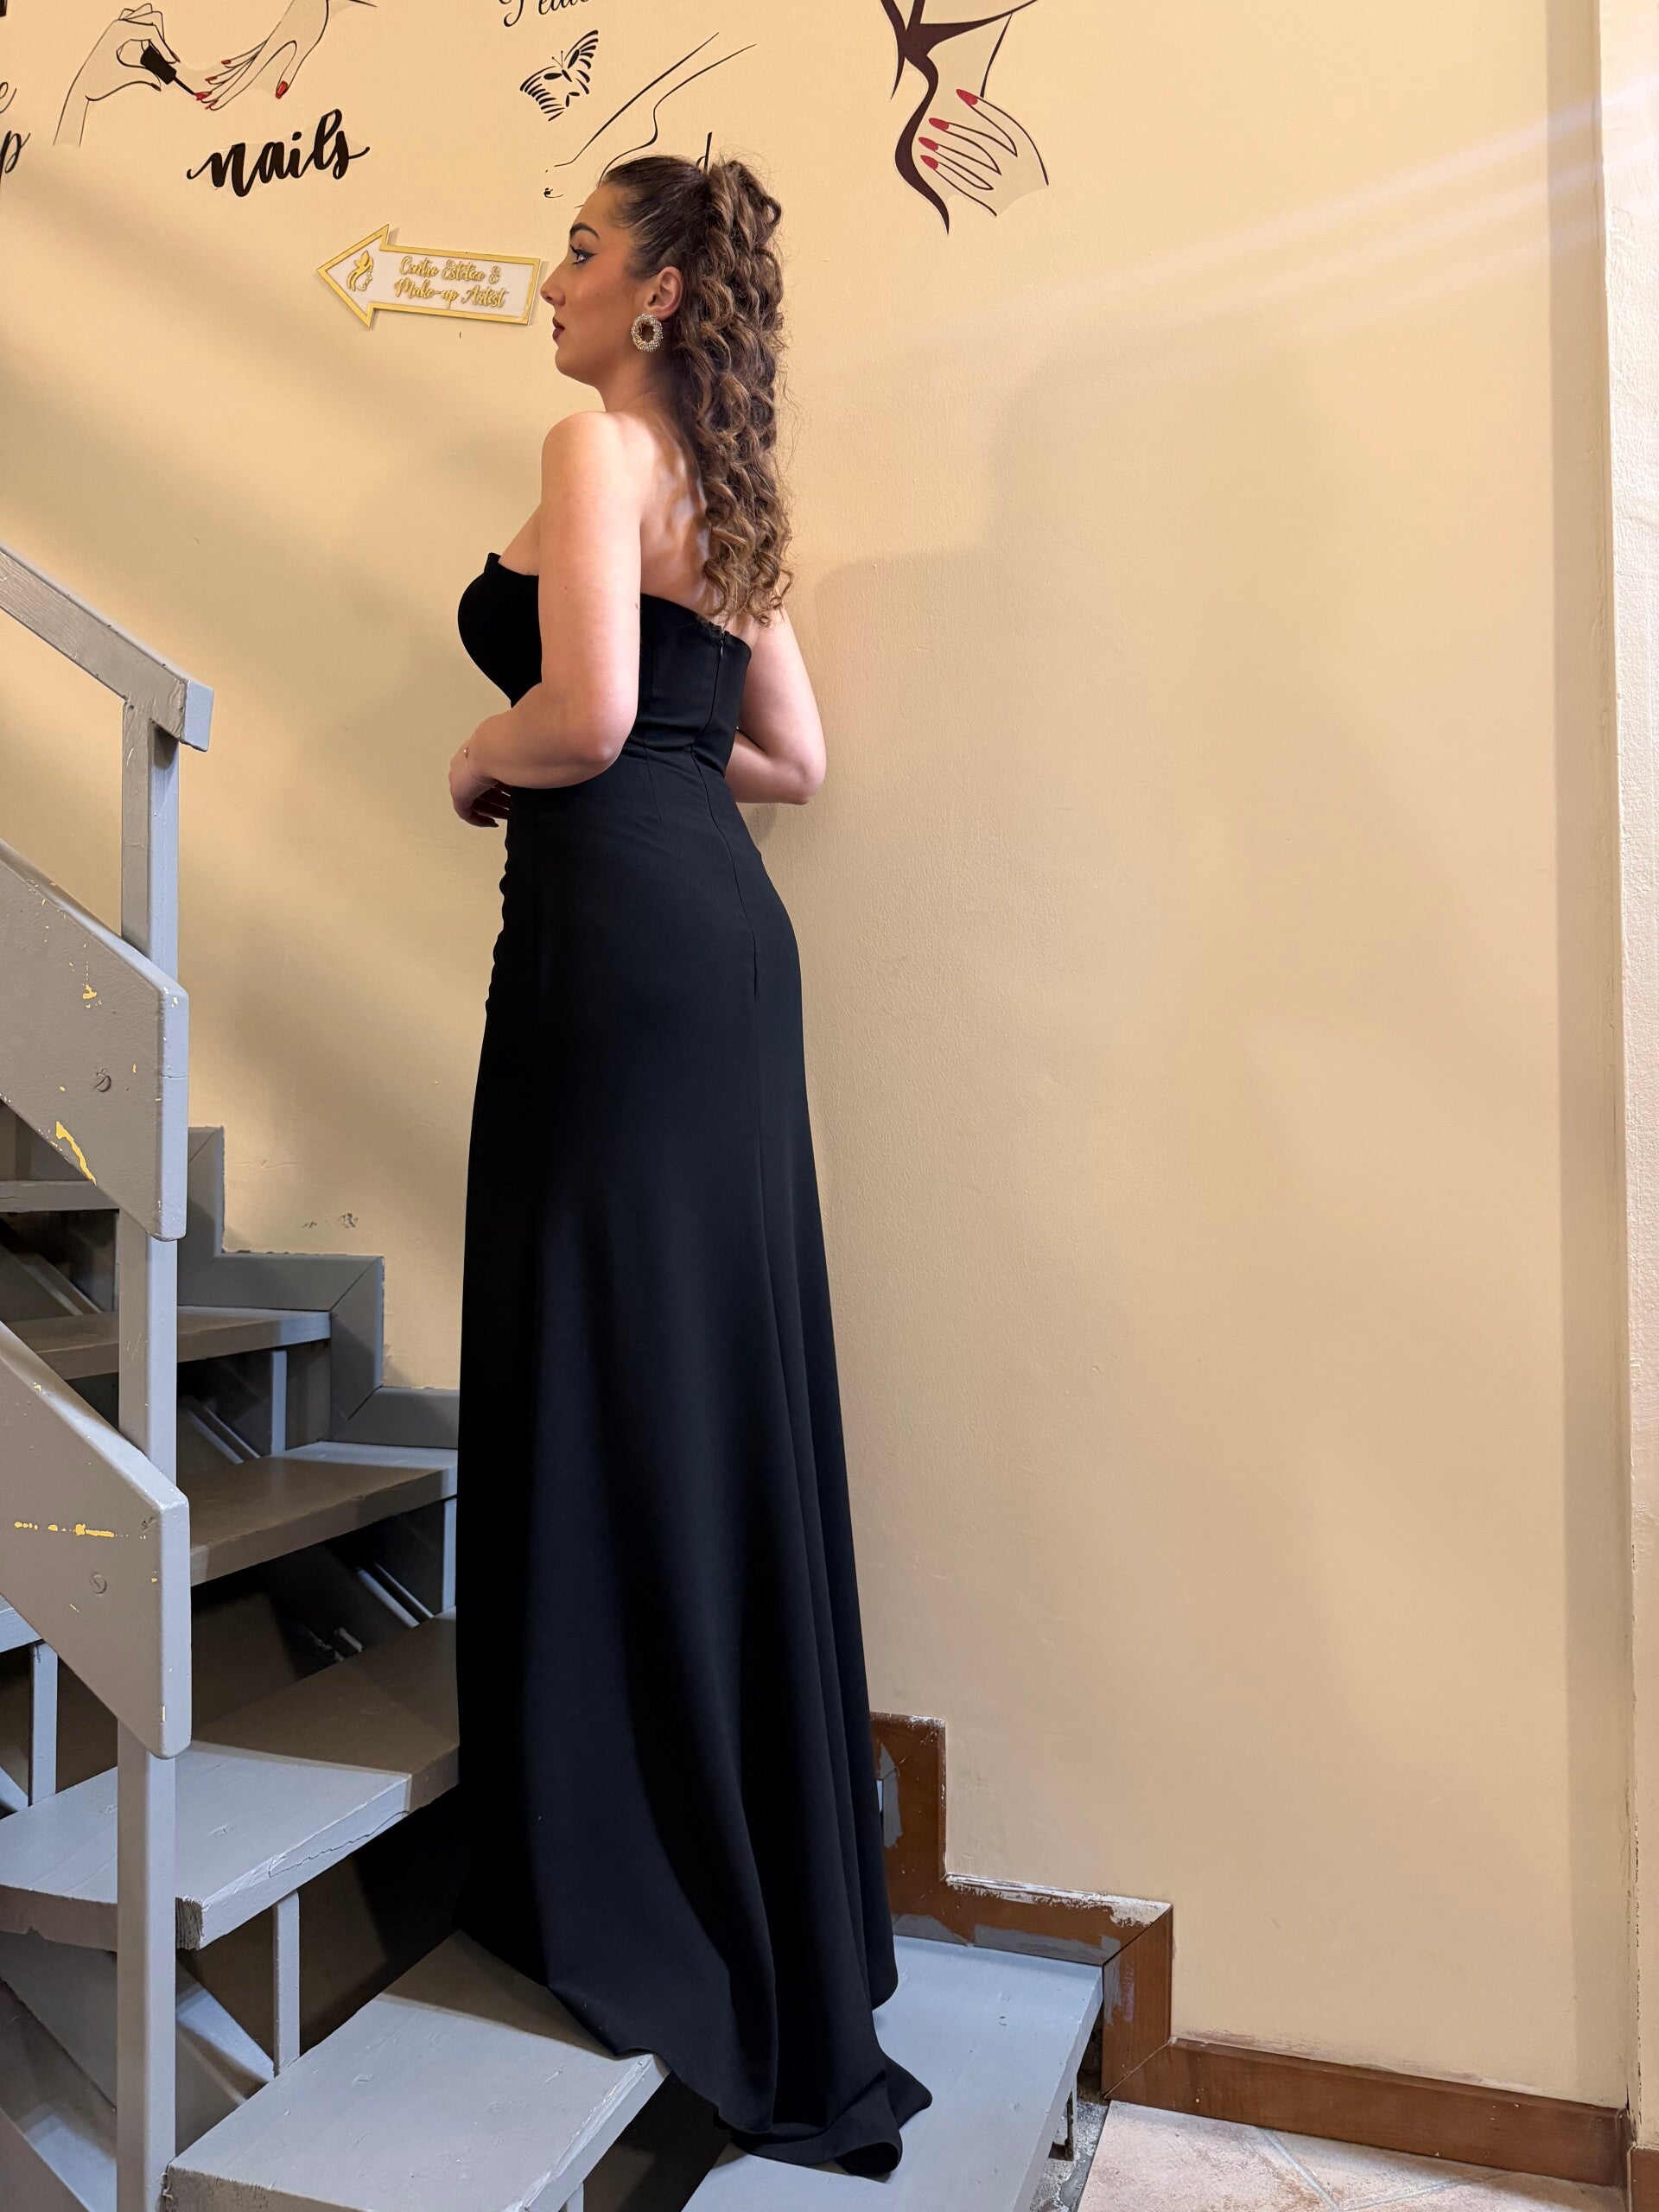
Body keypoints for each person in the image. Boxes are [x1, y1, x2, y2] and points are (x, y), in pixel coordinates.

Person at [447, 152, 934, 2176]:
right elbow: (788, 760)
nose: (550, 275)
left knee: (606, 1362)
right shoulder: (722, 495)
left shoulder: (589, 447)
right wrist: (634, 739)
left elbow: (587, 712)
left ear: (653, 294)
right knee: (701, 1379)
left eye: (579, 245)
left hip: (618, 947)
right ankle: (751, 1880)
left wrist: (480, 753)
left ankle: (626, 1862)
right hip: (724, 946)